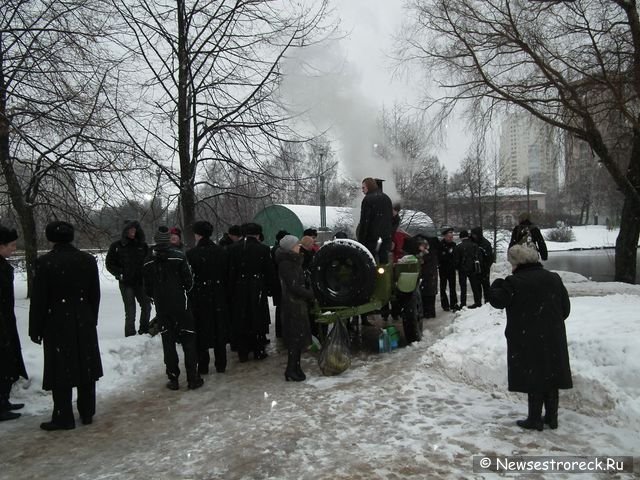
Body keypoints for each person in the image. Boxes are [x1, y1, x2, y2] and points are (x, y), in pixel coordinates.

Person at [488, 244, 572, 431]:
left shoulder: (514, 282)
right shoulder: (554, 278)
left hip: (527, 338)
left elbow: (497, 301)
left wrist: (496, 284)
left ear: (517, 263)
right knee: (550, 375)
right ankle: (551, 417)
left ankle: (534, 419)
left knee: (535, 376)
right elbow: (565, 309)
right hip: (553, 335)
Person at [29, 221, 103, 430]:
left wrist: (35, 328)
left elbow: (40, 299)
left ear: (51, 238)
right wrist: (91, 318)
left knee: (60, 369)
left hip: (57, 321)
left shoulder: (45, 263)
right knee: (85, 365)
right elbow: (94, 294)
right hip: (83, 319)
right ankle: (87, 411)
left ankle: (63, 416)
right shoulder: (87, 260)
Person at [144, 226, 203, 391]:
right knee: (188, 340)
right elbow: (189, 281)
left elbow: (147, 287)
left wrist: (156, 295)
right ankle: (193, 377)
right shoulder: (178, 256)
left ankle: (173, 377)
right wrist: (182, 292)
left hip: (162, 307)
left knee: (168, 342)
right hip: (181, 304)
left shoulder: (149, 261)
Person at [227, 223, 276, 362]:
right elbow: (269, 271)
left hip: (239, 288)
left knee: (242, 319)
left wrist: (230, 290)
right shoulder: (263, 249)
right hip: (257, 287)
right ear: (258, 234)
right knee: (257, 319)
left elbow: (230, 272)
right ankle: (258, 350)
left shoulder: (233, 249)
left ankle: (243, 351)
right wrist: (270, 288)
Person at [186, 221, 228, 375]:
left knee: (202, 329)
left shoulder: (191, 254)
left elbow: (189, 278)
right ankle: (221, 363)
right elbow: (226, 274)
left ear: (198, 234)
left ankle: (203, 365)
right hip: (218, 294)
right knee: (219, 328)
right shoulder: (221, 251)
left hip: (200, 295)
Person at [275, 235, 315, 382]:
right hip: (292, 304)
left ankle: (295, 367)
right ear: (290, 247)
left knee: (297, 339)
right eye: (297, 245)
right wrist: (310, 294)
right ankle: (291, 369)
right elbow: (293, 286)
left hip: (296, 303)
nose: (299, 246)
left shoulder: (293, 261)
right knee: (294, 339)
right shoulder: (287, 263)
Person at [0, 226, 28, 422]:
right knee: (3, 363)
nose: (14, 248)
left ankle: (4, 401)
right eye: (11, 245)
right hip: (1, 322)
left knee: (8, 362)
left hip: (6, 319)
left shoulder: (3, 264)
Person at [105, 220, 151, 336]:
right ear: (125, 231)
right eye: (130, 230)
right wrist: (120, 273)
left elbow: (149, 263)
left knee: (146, 306)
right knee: (130, 310)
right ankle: (130, 334)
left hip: (141, 282)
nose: (133, 232)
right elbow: (109, 264)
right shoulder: (117, 246)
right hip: (126, 283)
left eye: (134, 230)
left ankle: (144, 331)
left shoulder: (143, 246)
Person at [357, 177, 393, 264]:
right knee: (383, 262)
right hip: (385, 238)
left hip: (371, 239)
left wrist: (361, 239)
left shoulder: (368, 199)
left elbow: (365, 221)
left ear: (368, 187)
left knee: (370, 262)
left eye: (363, 188)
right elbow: (390, 218)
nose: (362, 190)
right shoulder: (386, 198)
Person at [454, 230, 483, 309]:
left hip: (462, 269)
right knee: (475, 286)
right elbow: (479, 257)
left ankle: (463, 304)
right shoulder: (474, 245)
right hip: (473, 268)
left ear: (461, 237)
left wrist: (457, 267)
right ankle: (477, 302)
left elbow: (456, 260)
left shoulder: (458, 247)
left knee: (463, 287)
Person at [271, 230, 290, 339]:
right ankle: (282, 331)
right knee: (282, 308)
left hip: (277, 282)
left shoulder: (275, 249)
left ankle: (280, 331)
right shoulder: (280, 251)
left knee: (280, 307)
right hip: (281, 282)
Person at [416, 234, 439, 319]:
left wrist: (422, 256)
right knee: (425, 295)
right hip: (427, 276)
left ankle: (430, 313)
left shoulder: (430, 252)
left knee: (430, 295)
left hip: (429, 275)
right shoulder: (423, 253)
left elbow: (426, 262)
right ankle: (427, 312)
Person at [471, 227, 494, 304]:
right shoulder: (472, 242)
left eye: (474, 235)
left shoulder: (486, 244)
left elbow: (490, 257)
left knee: (485, 286)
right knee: (476, 286)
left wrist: (486, 266)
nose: (473, 236)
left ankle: (487, 301)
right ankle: (477, 302)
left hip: (484, 268)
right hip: (475, 268)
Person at [438, 228, 458, 312]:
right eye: (449, 237)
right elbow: (439, 256)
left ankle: (453, 304)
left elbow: (456, 256)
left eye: (452, 237)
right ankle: (445, 305)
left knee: (452, 287)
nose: (451, 238)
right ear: (445, 236)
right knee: (443, 287)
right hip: (443, 268)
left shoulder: (454, 245)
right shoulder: (440, 245)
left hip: (451, 269)